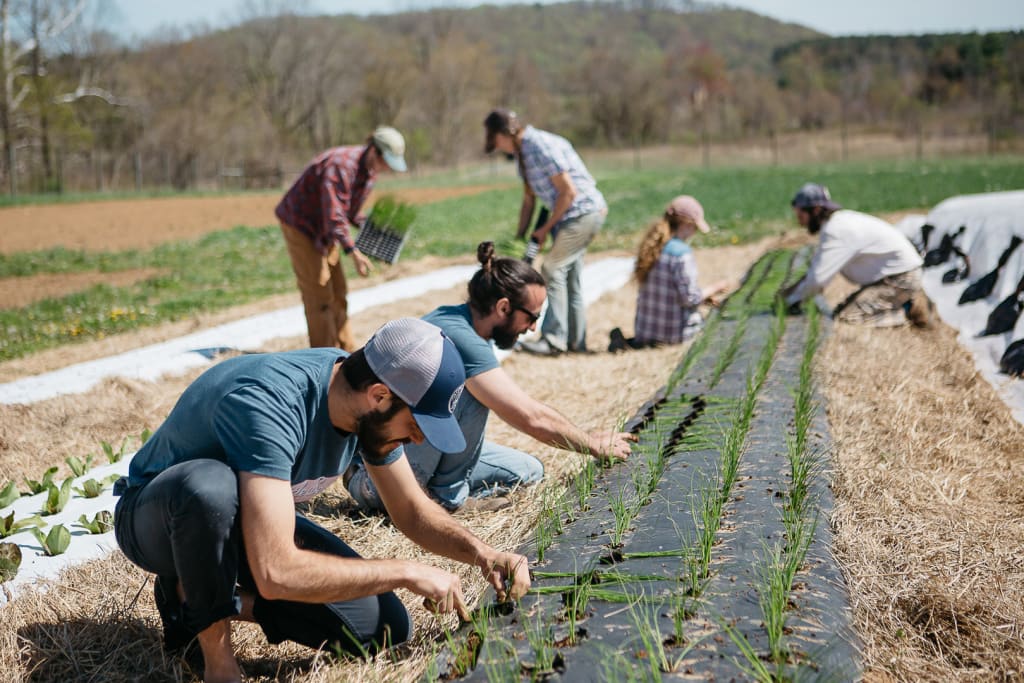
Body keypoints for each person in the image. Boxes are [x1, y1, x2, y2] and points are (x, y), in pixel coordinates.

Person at [112, 318, 530, 683]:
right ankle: (217, 661)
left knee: (384, 629)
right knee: (211, 487)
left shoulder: (362, 403)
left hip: (240, 519)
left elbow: (411, 511)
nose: (419, 438)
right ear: (380, 395)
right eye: (417, 423)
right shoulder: (272, 404)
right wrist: (404, 571)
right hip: (160, 519)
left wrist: (484, 555)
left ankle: (195, 599)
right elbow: (276, 570)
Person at [346, 242, 636, 514]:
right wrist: (592, 446)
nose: (533, 328)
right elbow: (528, 416)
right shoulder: (460, 337)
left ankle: (440, 492)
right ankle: (445, 500)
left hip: (408, 456)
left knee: (529, 471)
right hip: (377, 479)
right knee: (469, 394)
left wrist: (584, 438)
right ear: (503, 307)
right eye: (531, 317)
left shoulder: (461, 322)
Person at [484, 108, 607, 356]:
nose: (498, 147)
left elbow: (568, 192)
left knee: (552, 268)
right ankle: (575, 342)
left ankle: (553, 340)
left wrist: (544, 229)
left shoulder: (539, 145)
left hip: (583, 212)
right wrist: (520, 238)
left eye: (496, 141)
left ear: (505, 133)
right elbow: (529, 201)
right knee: (570, 278)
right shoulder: (522, 155)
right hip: (570, 216)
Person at [276, 126, 408, 350]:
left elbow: (349, 212)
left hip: (326, 231)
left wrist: (375, 230)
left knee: (338, 293)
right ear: (374, 152)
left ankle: (346, 352)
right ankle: (324, 358)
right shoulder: (341, 166)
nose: (387, 169)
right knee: (319, 295)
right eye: (386, 162)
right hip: (302, 226)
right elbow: (335, 215)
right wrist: (353, 251)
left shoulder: (369, 173)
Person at [781, 183, 933, 327]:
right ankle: (904, 304)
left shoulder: (836, 232)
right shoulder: (837, 223)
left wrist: (788, 301)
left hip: (901, 278)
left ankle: (907, 311)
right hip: (890, 277)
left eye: (801, 215)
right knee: (842, 310)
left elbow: (818, 279)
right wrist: (791, 293)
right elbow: (816, 269)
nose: (800, 222)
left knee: (848, 317)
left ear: (815, 210)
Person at [609, 195, 731, 351]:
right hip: (674, 334)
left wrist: (704, 298)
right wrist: (715, 287)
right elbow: (690, 298)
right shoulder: (682, 254)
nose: (694, 232)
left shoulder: (651, 247)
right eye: (694, 228)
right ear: (686, 224)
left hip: (645, 333)